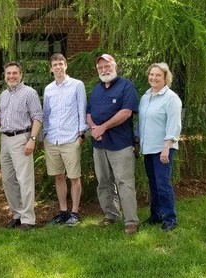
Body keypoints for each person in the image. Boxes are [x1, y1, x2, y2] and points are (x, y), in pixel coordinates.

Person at [86, 54, 139, 235]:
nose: (104, 70)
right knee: (103, 182)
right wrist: (94, 128)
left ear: (115, 66)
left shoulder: (127, 86)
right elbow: (89, 113)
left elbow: (126, 112)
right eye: (100, 67)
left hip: (120, 144)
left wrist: (103, 127)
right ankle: (110, 215)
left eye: (107, 66)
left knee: (124, 182)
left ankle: (131, 221)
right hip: (99, 144)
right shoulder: (96, 89)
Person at [0, 61, 43, 230]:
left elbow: (38, 117)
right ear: (5, 76)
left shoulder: (29, 93)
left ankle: (28, 219)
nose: (11, 76)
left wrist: (32, 139)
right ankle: (17, 215)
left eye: (14, 73)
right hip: (5, 139)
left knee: (24, 180)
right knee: (8, 180)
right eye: (8, 73)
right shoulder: (3, 95)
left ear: (21, 75)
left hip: (22, 139)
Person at [42, 53, 88, 226]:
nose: (58, 67)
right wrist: (45, 134)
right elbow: (46, 113)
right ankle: (63, 211)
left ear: (66, 65)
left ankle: (74, 212)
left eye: (61, 63)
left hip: (71, 139)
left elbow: (81, 109)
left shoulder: (77, 85)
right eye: (55, 64)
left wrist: (81, 135)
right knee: (59, 176)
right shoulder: (48, 89)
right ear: (51, 68)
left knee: (74, 177)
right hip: (52, 139)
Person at [138, 62, 182, 231]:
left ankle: (170, 218)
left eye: (158, 75)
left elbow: (174, 125)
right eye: (152, 74)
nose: (154, 78)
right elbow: (142, 122)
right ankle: (156, 215)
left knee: (163, 185)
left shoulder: (171, 98)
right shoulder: (145, 96)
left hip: (163, 149)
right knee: (153, 184)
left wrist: (166, 148)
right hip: (148, 148)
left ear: (165, 78)